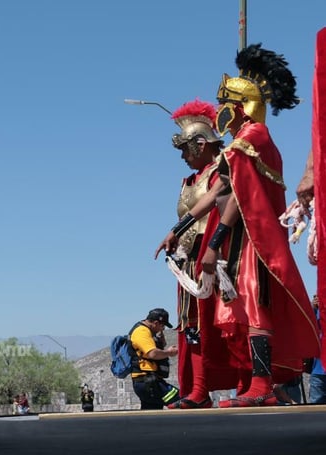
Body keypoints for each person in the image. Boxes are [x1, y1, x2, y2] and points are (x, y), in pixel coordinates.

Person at [157, 44, 320, 407]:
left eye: (225, 105)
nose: (220, 113)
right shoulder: (244, 141)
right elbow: (218, 189)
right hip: (242, 238)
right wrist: (179, 227)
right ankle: (254, 384)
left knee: (253, 307)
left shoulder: (252, 137)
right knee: (240, 309)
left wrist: (213, 243)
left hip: (253, 238)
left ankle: (261, 385)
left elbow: (231, 194)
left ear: (238, 106)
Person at [164, 99, 248, 409]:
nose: (184, 157)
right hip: (189, 259)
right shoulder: (188, 182)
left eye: (187, 149)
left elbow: (224, 205)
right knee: (192, 326)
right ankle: (198, 391)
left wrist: (213, 246)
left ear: (202, 144)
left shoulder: (221, 170)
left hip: (218, 253)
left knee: (228, 320)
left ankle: (245, 384)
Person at [128, 309, 180, 410]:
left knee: (151, 415)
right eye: (162, 326)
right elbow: (152, 353)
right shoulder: (141, 332)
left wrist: (161, 342)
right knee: (180, 399)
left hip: (148, 382)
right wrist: (169, 352)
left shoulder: (148, 332)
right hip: (148, 382)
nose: (163, 329)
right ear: (156, 323)